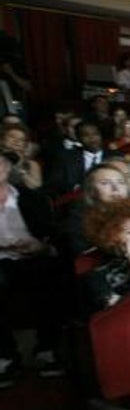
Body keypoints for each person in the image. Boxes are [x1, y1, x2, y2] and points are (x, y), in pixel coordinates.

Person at [0, 151, 60, 385]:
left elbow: (53, 233)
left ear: (7, 169)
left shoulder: (31, 198)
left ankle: (47, 349)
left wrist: (41, 246)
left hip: (33, 256)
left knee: (50, 278)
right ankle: (6, 356)